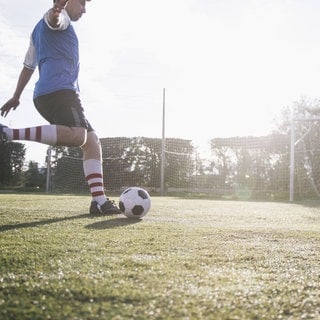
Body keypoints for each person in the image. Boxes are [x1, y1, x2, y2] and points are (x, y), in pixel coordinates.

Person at [0, 0, 121, 215]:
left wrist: (16, 96)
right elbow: (55, 19)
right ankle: (7, 133)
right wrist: (57, 10)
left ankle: (99, 202)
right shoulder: (59, 19)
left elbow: (28, 66)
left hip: (48, 94)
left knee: (92, 142)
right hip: (60, 92)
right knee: (79, 136)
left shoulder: (37, 31)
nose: (84, 9)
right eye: (82, 3)